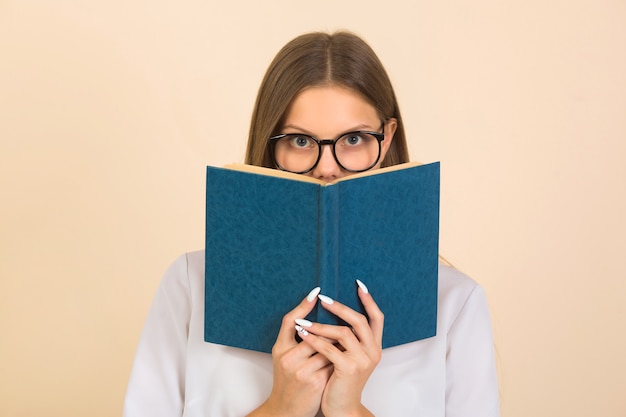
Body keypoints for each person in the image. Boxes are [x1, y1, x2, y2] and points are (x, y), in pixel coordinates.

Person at [123, 31, 500, 417]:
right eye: (300, 142)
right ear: (270, 146)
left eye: (353, 138)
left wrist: (349, 410)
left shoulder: (454, 304)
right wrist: (279, 409)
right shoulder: (191, 285)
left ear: (386, 138)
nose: (326, 167)